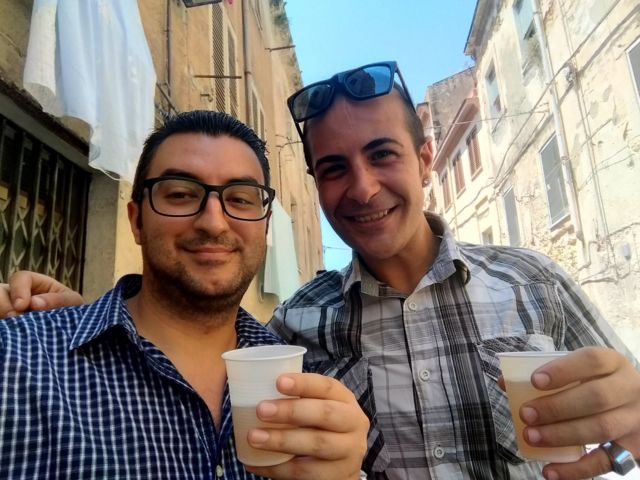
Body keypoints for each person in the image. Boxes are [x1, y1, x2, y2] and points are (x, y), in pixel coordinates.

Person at [2, 62, 639, 480]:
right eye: (333, 168)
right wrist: (88, 321)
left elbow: (630, 418)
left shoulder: (536, 281)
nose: (362, 188)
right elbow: (179, 330)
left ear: (425, 159)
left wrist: (623, 441)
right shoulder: (293, 328)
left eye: (382, 154)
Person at [0, 110, 369, 480]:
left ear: (265, 227)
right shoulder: (17, 360)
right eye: (180, 194)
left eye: (241, 199)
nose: (213, 222)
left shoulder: (302, 383)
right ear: (137, 221)